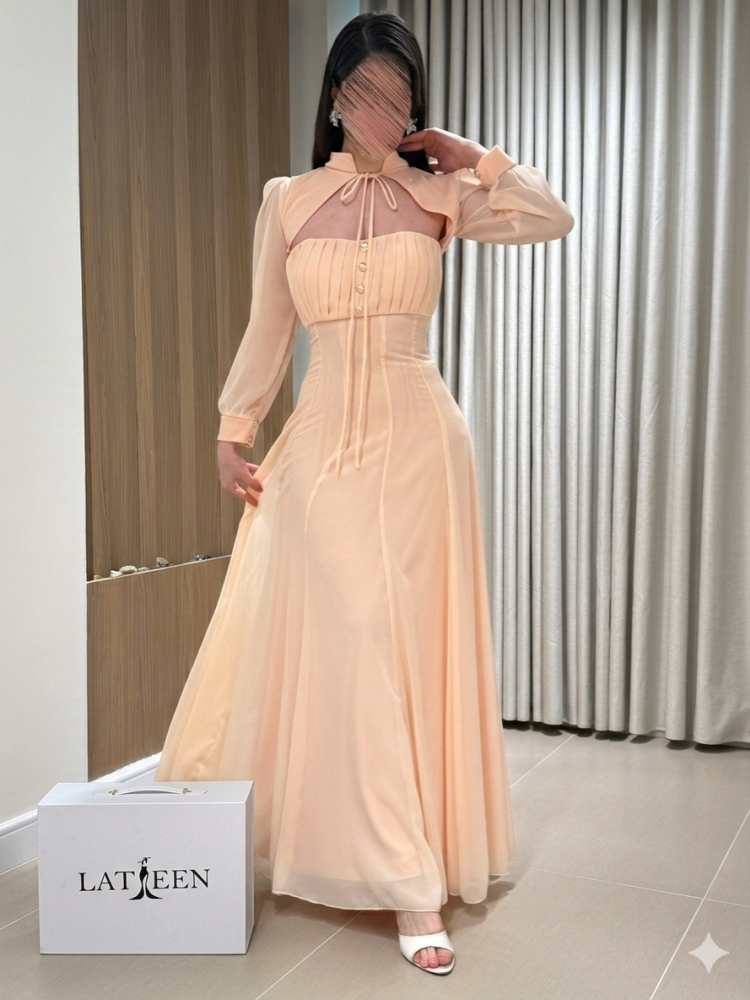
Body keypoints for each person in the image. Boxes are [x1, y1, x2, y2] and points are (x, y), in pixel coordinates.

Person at [155, 11, 573, 976]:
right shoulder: (288, 200)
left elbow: (552, 216)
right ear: (336, 97)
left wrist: (477, 157)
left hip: (422, 444)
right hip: (317, 445)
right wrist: (230, 429)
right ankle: (382, 860)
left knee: (395, 644)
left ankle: (408, 878)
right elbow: (269, 327)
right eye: (366, 93)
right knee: (351, 631)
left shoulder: (443, 194)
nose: (383, 112)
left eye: (399, 96)